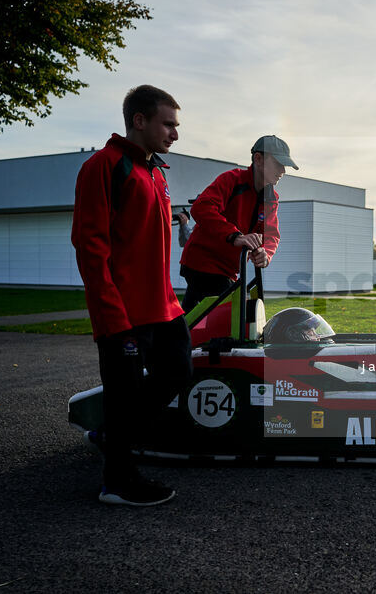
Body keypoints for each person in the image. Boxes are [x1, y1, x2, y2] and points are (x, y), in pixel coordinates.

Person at [71, 85, 193, 507]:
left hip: (164, 307)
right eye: (168, 124)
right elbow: (90, 247)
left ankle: (109, 437)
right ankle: (117, 483)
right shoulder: (103, 166)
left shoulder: (157, 173)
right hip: (122, 312)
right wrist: (111, 315)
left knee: (177, 372)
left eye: (176, 125)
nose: (174, 133)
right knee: (122, 398)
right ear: (139, 120)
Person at [179, 135, 298, 312]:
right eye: (278, 164)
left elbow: (271, 235)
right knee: (231, 316)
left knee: (191, 319)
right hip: (203, 262)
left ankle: (173, 335)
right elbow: (201, 208)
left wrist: (265, 252)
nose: (283, 171)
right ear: (258, 159)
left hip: (227, 269)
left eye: (284, 166)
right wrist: (234, 236)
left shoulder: (271, 199)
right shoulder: (232, 180)